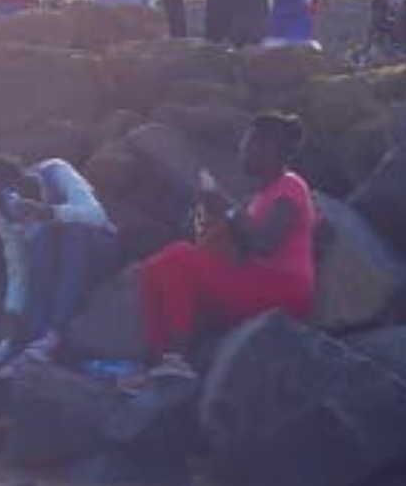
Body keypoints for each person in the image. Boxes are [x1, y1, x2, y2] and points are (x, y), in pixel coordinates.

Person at [131, 113, 317, 384]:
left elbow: (265, 243)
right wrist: (212, 219)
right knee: (153, 269)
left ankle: (177, 360)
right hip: (257, 283)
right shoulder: (261, 196)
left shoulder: (291, 186)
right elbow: (241, 249)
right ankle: (158, 362)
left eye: (246, 144)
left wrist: (224, 204)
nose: (240, 151)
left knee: (179, 256)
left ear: (267, 148)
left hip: (285, 290)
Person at [0, 153, 115, 366]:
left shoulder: (55, 172)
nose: (7, 203)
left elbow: (97, 216)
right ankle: (32, 340)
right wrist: (11, 314)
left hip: (98, 246)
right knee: (41, 244)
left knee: (69, 233)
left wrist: (49, 212)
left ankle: (54, 331)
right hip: (53, 263)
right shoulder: (3, 214)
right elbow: (18, 270)